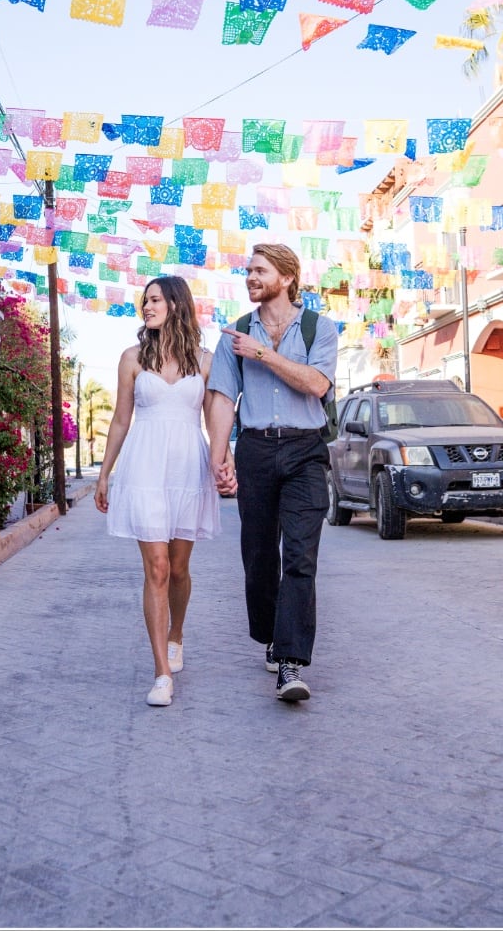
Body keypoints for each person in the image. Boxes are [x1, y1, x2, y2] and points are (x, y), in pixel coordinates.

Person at [206, 244, 339, 704]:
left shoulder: (319, 327)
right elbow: (223, 398)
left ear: (286, 277)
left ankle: (291, 662)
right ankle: (269, 633)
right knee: (259, 557)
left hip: (306, 451)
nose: (250, 277)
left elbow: (317, 384)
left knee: (300, 556)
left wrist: (264, 355)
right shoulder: (234, 334)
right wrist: (218, 459)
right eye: (248, 271)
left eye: (260, 270)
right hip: (257, 450)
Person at [93, 275, 221, 708]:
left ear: (175, 304)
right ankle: (161, 673)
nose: (145, 307)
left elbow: (216, 421)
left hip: (188, 468)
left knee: (181, 568)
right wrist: (104, 473)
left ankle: (177, 635)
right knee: (159, 568)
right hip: (144, 466)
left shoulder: (204, 360)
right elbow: (120, 420)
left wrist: (226, 463)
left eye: (153, 300)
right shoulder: (132, 358)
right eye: (143, 301)